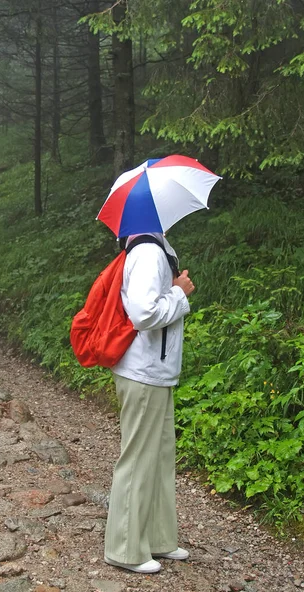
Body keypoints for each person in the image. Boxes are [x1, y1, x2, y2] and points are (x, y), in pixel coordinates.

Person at [104, 232, 195, 574]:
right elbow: (143, 315)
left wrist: (172, 288)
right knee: (139, 457)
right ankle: (124, 548)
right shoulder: (147, 253)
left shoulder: (156, 248)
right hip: (142, 371)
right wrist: (179, 292)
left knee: (158, 456)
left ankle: (157, 537)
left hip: (155, 371)